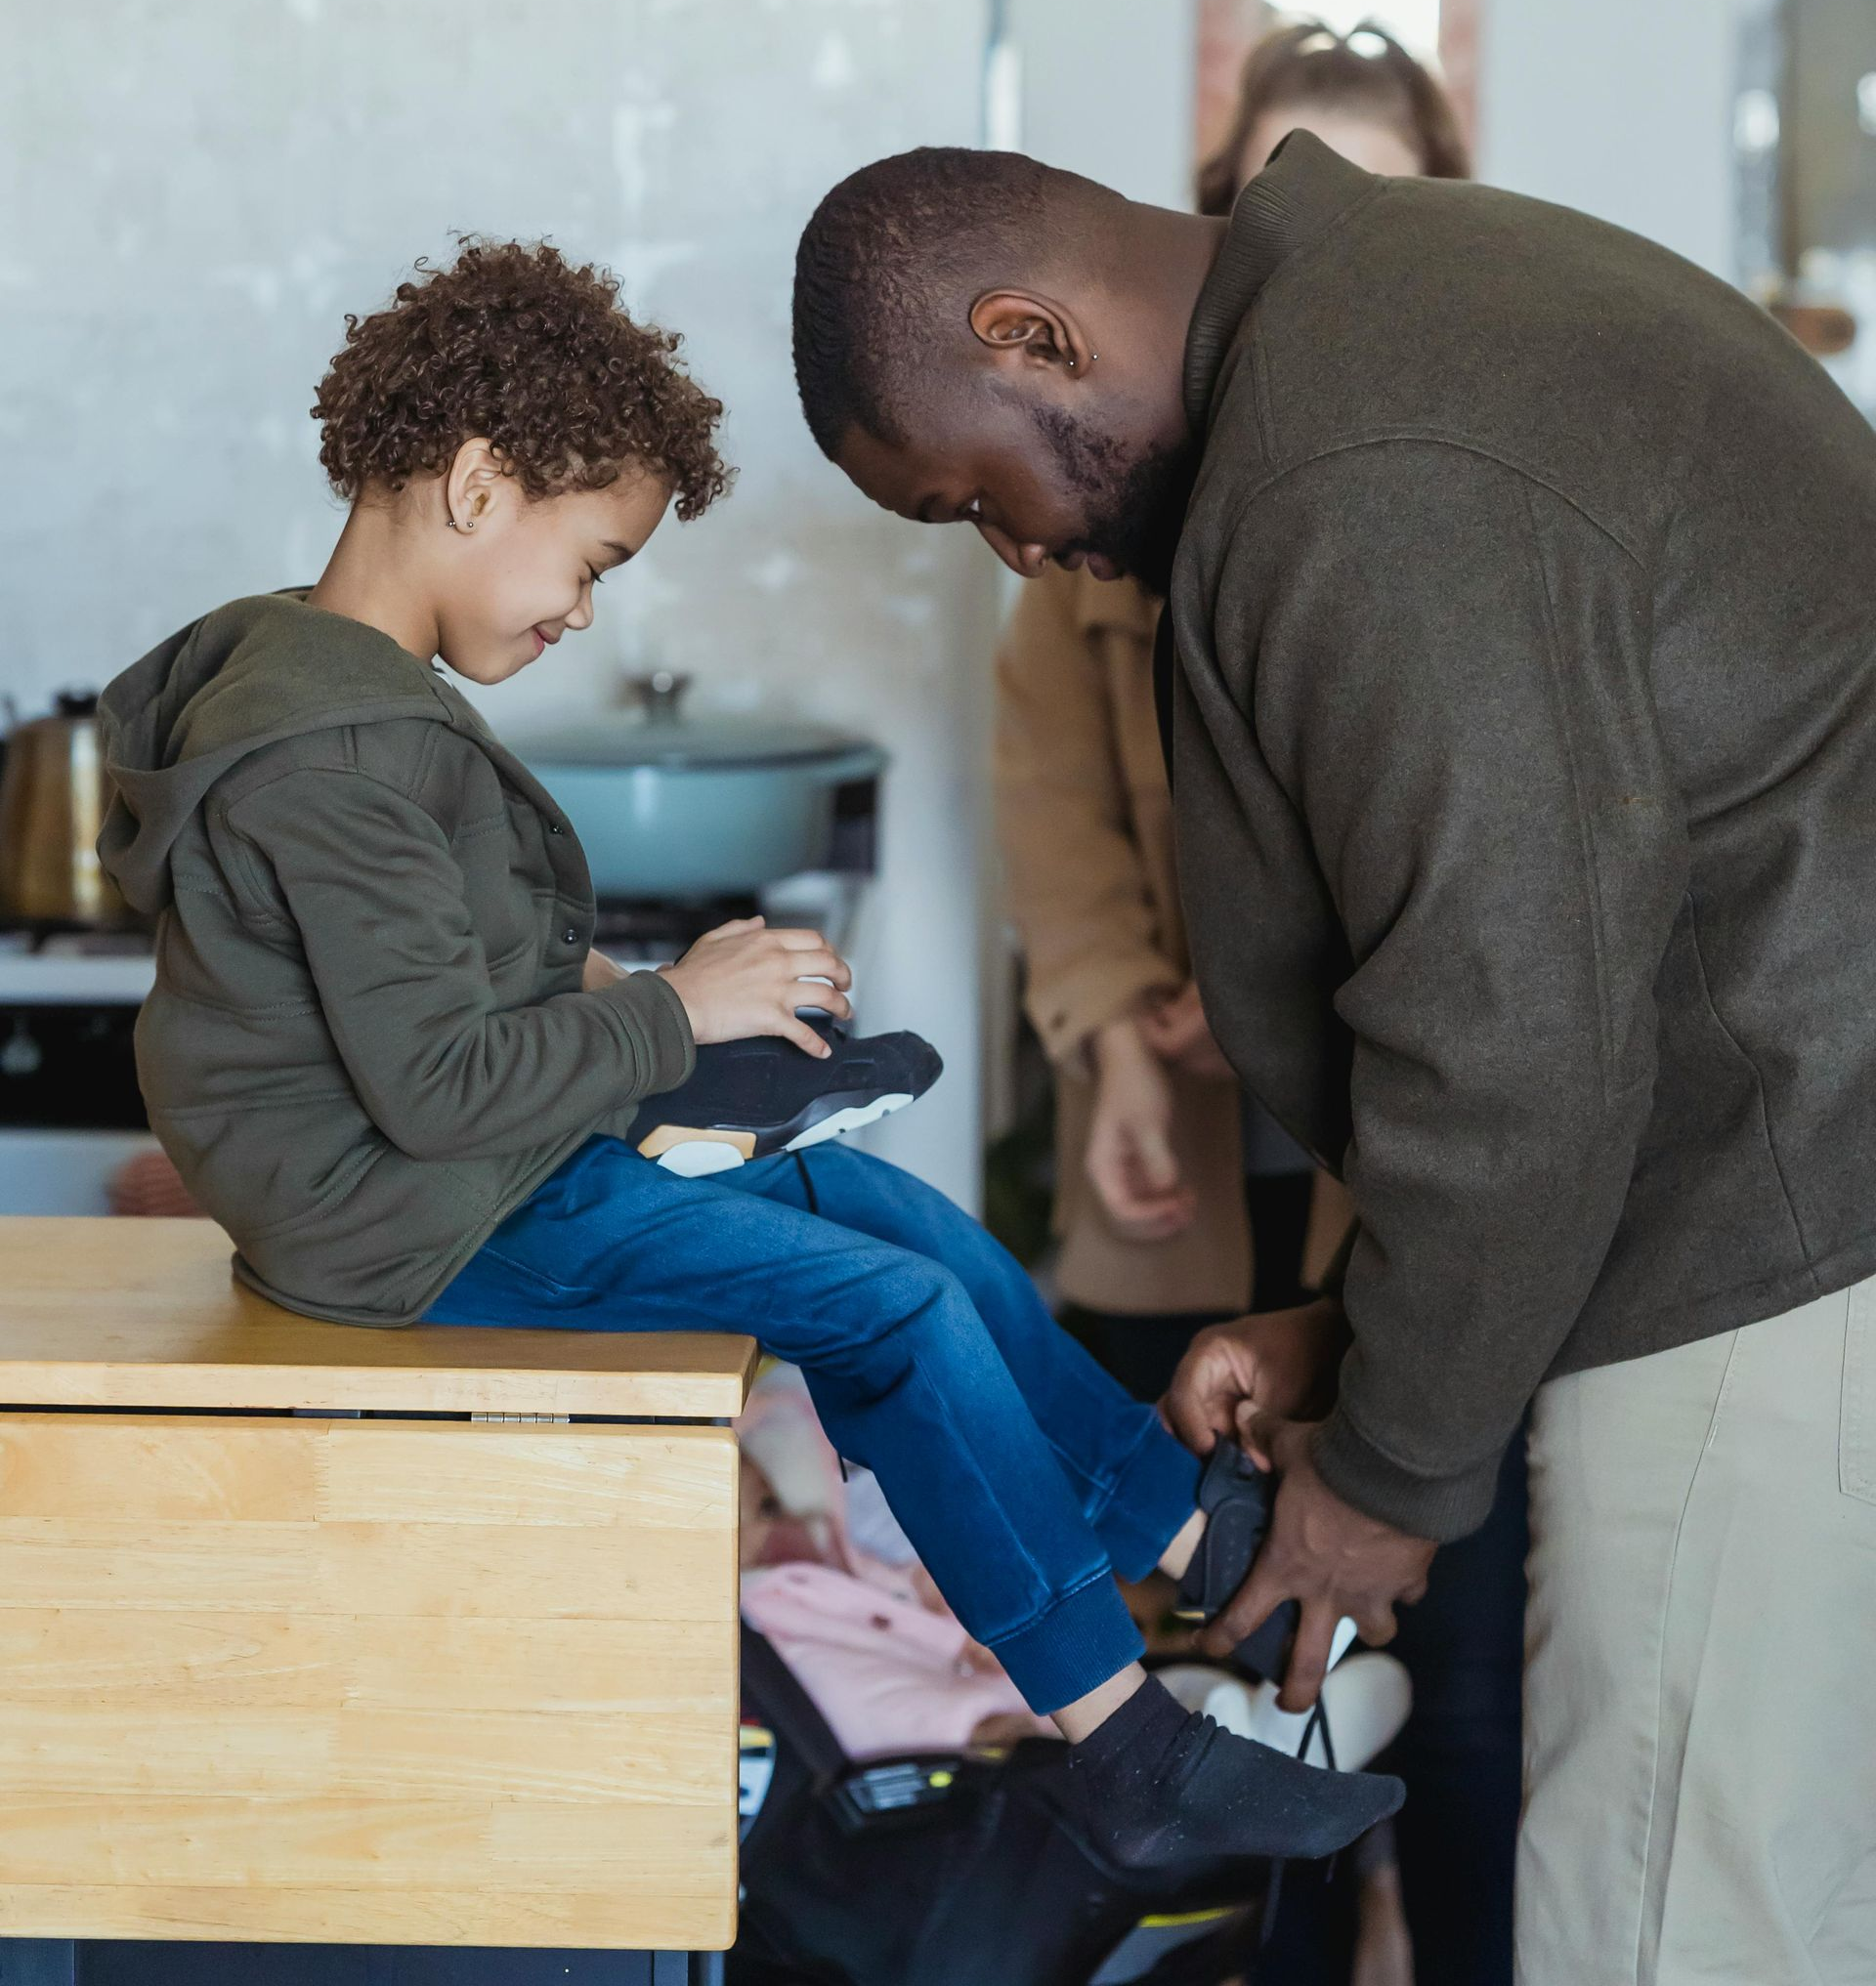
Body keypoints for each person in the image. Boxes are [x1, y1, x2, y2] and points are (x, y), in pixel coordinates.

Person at [97, 236, 1399, 1882]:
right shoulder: (336, 749)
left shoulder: (322, 672)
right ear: (482, 483)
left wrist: (656, 997)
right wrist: (673, 1014)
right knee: (896, 1312)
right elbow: (431, 1084)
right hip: (413, 1215)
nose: (584, 609)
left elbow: (420, 961)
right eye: (593, 559)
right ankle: (1124, 1744)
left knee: (889, 1216)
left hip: (443, 1170)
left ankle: (1182, 1525)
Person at [790, 121, 1876, 1985]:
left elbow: (1508, 1038)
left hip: (1773, 1229)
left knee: (1677, 1920)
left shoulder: (1368, 463)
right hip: (1774, 1190)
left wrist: (1382, 1484)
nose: (1023, 553)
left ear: (1031, 334)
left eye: (967, 496)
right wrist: (1359, 1338)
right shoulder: (1398, 311)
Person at [997, 28, 1520, 1986]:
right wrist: (1125, 1025)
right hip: (1182, 1175)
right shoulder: (1107, 499)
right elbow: (1050, 799)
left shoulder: (1469, 492)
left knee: (1455, 1688)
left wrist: (1281, 976)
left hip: (1440, 1195)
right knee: (1202, 1664)